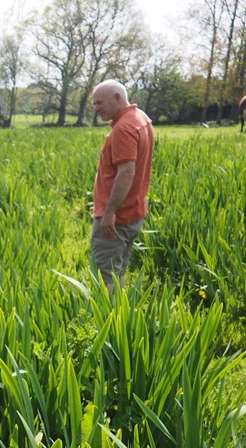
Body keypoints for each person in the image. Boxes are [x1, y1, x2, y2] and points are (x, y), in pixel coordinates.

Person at [90, 79, 155, 292]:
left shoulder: (124, 128)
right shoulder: (140, 118)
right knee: (119, 268)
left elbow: (126, 172)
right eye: (94, 104)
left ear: (117, 97)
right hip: (133, 212)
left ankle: (108, 320)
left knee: (106, 273)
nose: (96, 108)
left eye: (100, 102)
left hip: (117, 217)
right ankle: (122, 315)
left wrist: (109, 213)